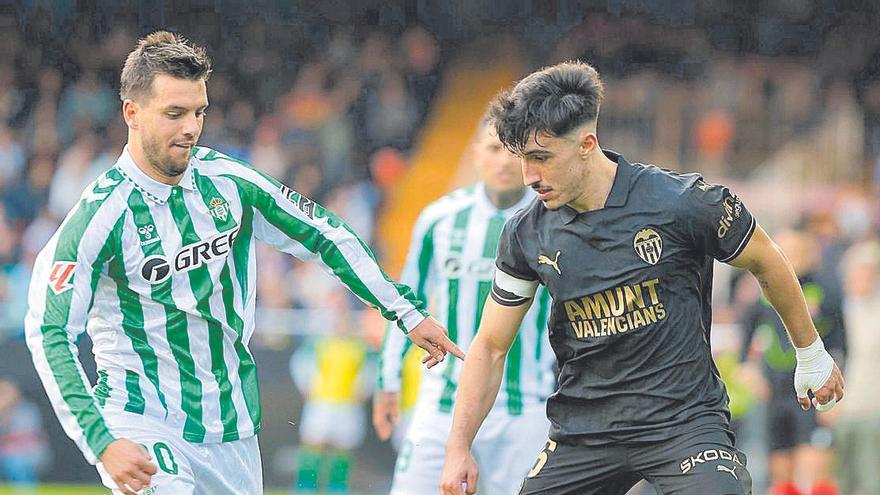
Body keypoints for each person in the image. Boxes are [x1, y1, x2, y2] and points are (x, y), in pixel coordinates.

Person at [24, 31, 462, 495]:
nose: (191, 127)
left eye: (199, 112)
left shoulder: (231, 183)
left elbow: (324, 235)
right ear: (132, 113)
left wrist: (407, 313)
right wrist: (101, 439)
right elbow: (49, 330)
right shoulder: (99, 218)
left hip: (231, 422)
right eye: (174, 114)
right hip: (142, 417)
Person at [439, 61, 845, 495]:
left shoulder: (681, 202)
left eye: (541, 158)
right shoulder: (525, 233)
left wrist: (812, 354)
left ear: (586, 144)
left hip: (684, 424)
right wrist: (458, 447)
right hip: (584, 432)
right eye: (524, 160)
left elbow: (768, 258)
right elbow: (491, 345)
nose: (529, 177)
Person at [374, 116, 555, 494]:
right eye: (493, 149)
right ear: (476, 155)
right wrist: (388, 378)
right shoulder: (439, 219)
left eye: (513, 151)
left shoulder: (553, 223)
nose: (504, 161)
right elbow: (407, 302)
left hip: (522, 411)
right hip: (443, 403)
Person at [739, 229, 844, 495]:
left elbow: (841, 341)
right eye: (783, 252)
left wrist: (838, 390)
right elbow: (747, 328)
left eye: (795, 252)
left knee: (815, 467)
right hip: (777, 390)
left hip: (813, 391)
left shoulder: (825, 290)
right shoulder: (764, 293)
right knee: (781, 469)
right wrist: (747, 368)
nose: (789, 259)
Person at [831, 239, 880, 495]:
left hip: (873, 408)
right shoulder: (835, 311)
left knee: (871, 480)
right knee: (840, 481)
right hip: (840, 409)